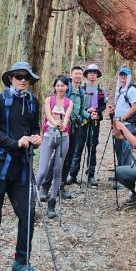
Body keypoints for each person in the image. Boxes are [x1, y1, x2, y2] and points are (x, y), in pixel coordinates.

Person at [0, 61, 42, 271]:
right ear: (11, 78)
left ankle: (21, 262)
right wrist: (16, 142)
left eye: (26, 76)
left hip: (22, 167)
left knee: (28, 214)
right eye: (18, 76)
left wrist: (36, 138)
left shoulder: (33, 102)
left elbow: (35, 128)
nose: (23, 79)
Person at [40, 66, 90, 200]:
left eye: (80, 74)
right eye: (75, 74)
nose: (78, 76)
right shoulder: (64, 90)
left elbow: (81, 111)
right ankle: (45, 186)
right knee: (55, 159)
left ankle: (60, 186)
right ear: (71, 75)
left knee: (68, 158)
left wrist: (90, 116)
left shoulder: (81, 91)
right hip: (58, 128)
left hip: (74, 127)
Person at [36, 75, 73, 219]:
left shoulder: (69, 102)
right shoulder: (48, 100)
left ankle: (52, 202)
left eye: (63, 85)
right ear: (54, 87)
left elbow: (68, 116)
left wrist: (63, 125)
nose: (60, 88)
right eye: (58, 85)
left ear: (67, 87)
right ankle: (32, 196)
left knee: (58, 170)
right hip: (48, 136)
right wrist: (56, 123)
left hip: (63, 138)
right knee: (42, 170)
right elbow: (48, 115)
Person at [66, 63, 108, 187]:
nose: (92, 74)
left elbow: (103, 105)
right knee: (78, 148)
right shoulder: (81, 88)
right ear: (87, 75)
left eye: (95, 72)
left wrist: (96, 112)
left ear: (97, 75)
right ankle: (73, 174)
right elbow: (78, 104)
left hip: (94, 121)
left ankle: (91, 175)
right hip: (82, 121)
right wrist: (86, 111)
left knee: (92, 148)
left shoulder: (101, 89)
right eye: (90, 72)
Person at [107, 66, 136, 171]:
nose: (123, 77)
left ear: (129, 76)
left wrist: (122, 118)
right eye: (121, 75)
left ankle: (126, 174)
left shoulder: (132, 90)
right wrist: (114, 112)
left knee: (126, 150)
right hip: (118, 124)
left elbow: (134, 108)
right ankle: (120, 173)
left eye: (125, 75)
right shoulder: (120, 90)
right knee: (118, 149)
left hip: (128, 124)